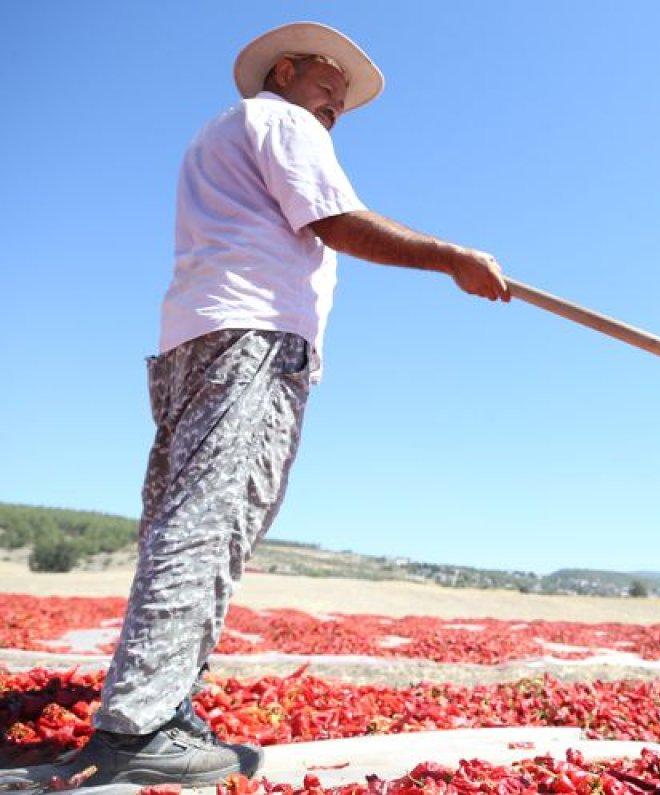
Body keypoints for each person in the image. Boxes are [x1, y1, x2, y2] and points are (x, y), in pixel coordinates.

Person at [3, 21, 509, 789]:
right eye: (327, 82)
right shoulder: (280, 121)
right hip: (249, 340)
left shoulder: (228, 134)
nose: (336, 102)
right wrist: (452, 259)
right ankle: (139, 730)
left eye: (342, 99)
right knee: (210, 521)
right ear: (285, 70)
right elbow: (335, 221)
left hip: (198, 338)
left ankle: (157, 707)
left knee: (189, 518)